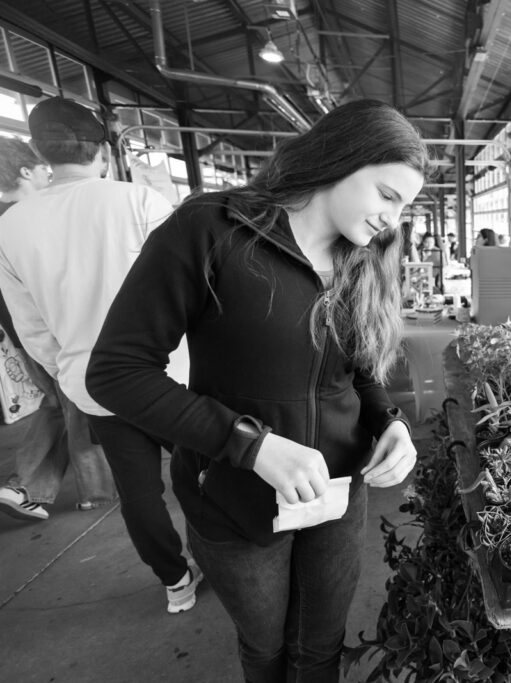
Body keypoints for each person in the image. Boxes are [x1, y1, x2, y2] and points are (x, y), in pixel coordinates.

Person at [86, 98, 424, 681]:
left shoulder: (364, 259)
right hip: (235, 499)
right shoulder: (212, 228)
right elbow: (117, 371)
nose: (392, 220)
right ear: (341, 158)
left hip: (336, 494)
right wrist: (253, 445)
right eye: (387, 195)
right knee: (265, 647)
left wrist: (389, 420)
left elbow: (359, 368)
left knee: (320, 646)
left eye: (404, 207)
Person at [0, 98, 197, 612]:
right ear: (103, 151)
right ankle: (223, 557)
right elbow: (187, 290)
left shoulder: (11, 226)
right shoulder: (140, 201)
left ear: (40, 152)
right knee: (203, 473)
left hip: (94, 384)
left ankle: (176, 582)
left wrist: (69, 369)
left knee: (139, 493)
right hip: (170, 375)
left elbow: (30, 326)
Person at [0, 138, 116, 521]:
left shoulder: (9, 222)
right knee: (78, 404)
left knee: (59, 405)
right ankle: (92, 492)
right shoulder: (28, 218)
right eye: (42, 168)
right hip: (53, 333)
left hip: (24, 336)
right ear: (26, 171)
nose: (48, 174)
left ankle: (26, 486)